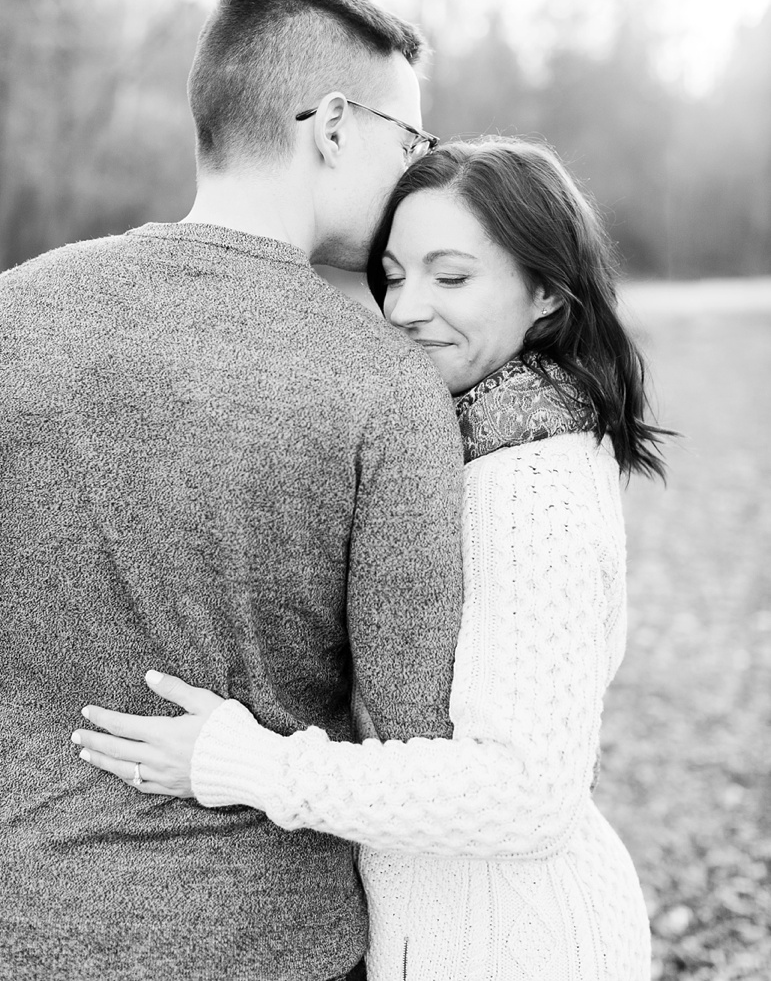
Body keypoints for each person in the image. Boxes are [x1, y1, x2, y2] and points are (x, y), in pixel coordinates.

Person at [77, 138, 663, 980]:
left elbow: (529, 794)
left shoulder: (535, 485)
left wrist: (246, 764)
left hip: (523, 946)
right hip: (441, 936)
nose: (405, 309)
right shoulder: (457, 447)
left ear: (544, 293)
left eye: (451, 277)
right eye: (392, 274)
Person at [0, 0, 466, 981]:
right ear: (334, 127)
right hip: (269, 945)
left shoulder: (10, 317)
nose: (417, 176)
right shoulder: (384, 381)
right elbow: (415, 736)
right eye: (411, 143)